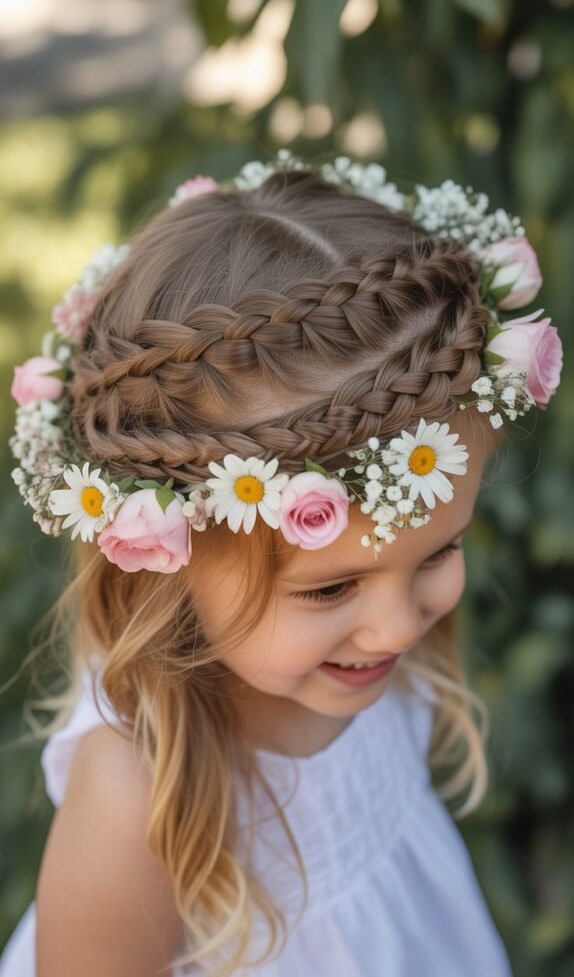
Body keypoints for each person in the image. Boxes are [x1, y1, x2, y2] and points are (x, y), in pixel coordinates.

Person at [1, 150, 563, 976]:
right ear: (161, 560)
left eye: (440, 550)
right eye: (330, 586)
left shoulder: (362, 665)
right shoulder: (135, 806)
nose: (401, 623)